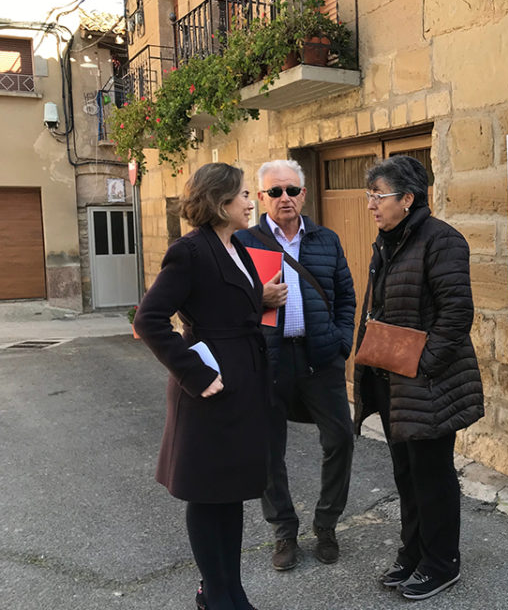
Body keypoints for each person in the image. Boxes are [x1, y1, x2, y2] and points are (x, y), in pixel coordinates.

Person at [134, 162, 267, 610]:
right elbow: (149, 318)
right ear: (219, 201)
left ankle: (231, 590)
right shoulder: (189, 251)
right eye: (245, 195)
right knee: (209, 495)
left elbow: (226, 299)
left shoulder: (238, 247)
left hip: (242, 389)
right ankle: (214, 593)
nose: (253, 202)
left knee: (231, 494)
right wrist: (195, 373)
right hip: (209, 391)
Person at [352, 155, 484, 601]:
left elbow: (456, 315)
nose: (371, 204)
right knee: (405, 474)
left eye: (379, 196)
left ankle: (441, 562)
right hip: (392, 381)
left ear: (407, 199)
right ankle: (413, 553)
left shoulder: (442, 241)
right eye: (369, 195)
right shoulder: (388, 239)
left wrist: (420, 364)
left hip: (427, 383)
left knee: (432, 475)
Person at [235, 159, 356, 570]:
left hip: (320, 356)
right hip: (267, 360)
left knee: (340, 438)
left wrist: (342, 342)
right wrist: (258, 301)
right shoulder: (242, 242)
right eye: (274, 192)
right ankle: (284, 530)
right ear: (262, 197)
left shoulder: (326, 239)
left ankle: (326, 524)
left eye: (291, 190)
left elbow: (345, 296)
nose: (284, 198)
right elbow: (226, 305)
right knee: (269, 450)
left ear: (303, 194)